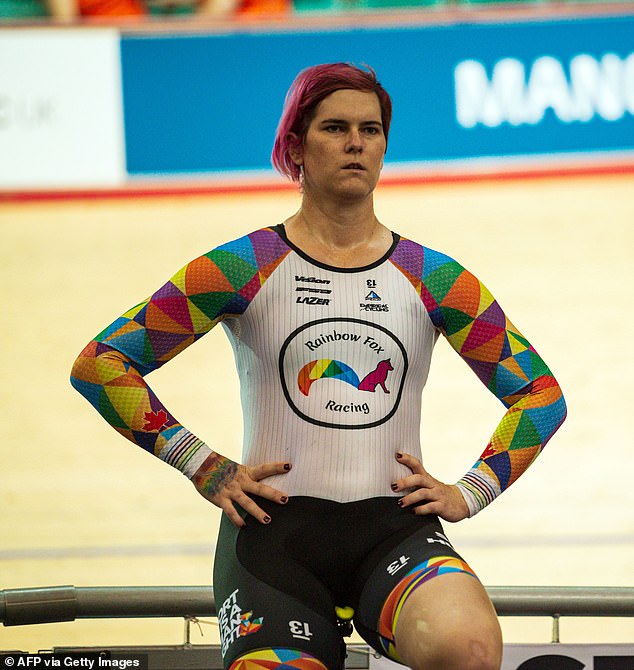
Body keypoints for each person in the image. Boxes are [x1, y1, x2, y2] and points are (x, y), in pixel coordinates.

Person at [71, 63, 567, 670]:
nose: (357, 142)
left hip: (395, 532)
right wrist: (201, 464)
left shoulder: (435, 277)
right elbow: (101, 364)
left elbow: (541, 395)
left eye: (372, 129)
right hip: (274, 538)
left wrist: (474, 490)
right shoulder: (243, 264)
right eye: (335, 128)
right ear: (295, 146)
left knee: (467, 650)